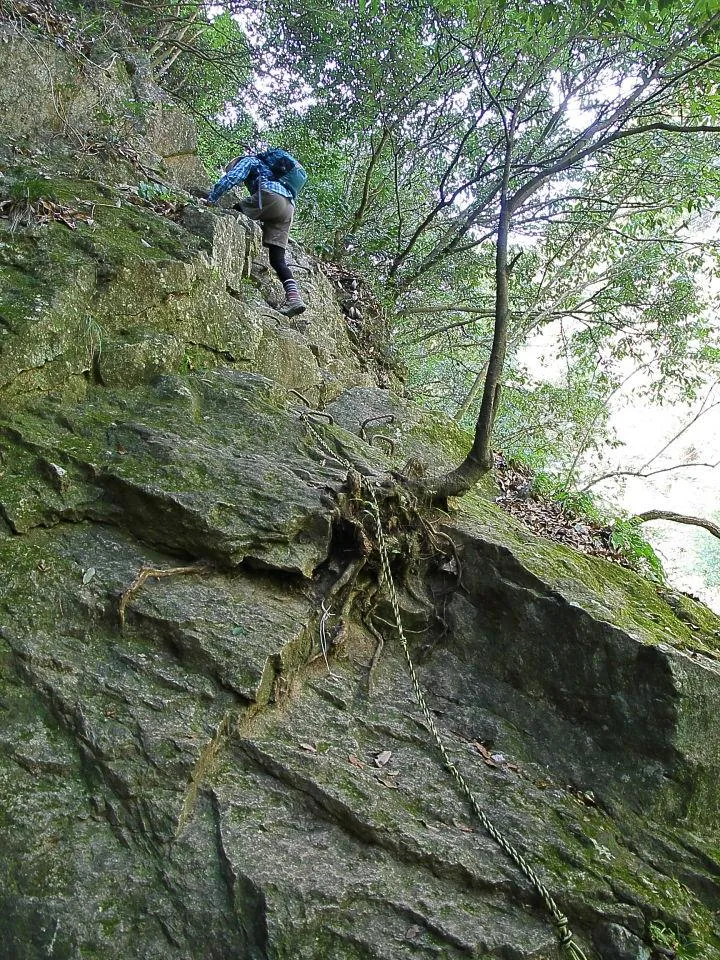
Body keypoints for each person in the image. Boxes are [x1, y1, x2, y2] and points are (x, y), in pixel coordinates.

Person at [206, 151, 306, 317]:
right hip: (288, 208)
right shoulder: (274, 175)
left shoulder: (249, 161)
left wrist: (211, 199)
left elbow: (232, 178)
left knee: (233, 214)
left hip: (271, 197)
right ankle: (294, 298)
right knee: (277, 259)